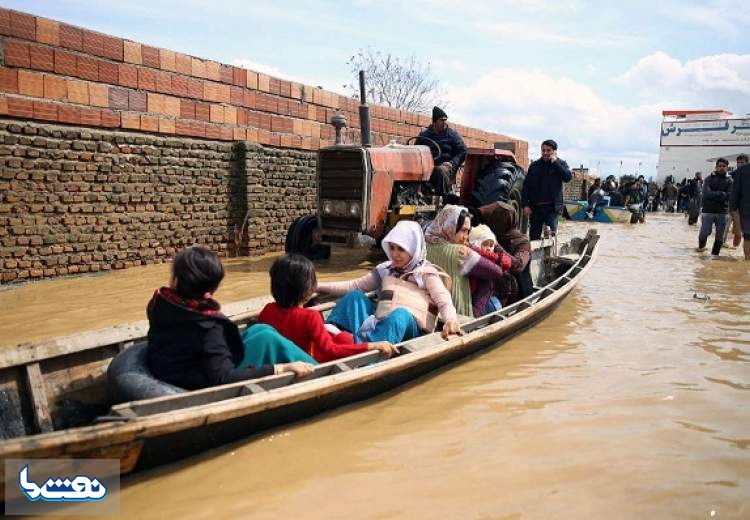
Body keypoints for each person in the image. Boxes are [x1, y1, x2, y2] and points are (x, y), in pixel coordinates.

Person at [146, 246, 314, 390]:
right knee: (267, 338)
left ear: (175, 281)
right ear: (212, 288)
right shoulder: (209, 328)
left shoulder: (159, 304)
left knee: (260, 329)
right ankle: (317, 367)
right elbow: (223, 378)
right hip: (199, 382)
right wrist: (280, 369)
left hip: (186, 367)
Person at [317, 220, 462, 342]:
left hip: (411, 327)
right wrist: (317, 286)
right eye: (392, 248)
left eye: (401, 249)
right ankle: (331, 334)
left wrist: (450, 320)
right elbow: (353, 285)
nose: (395, 254)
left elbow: (444, 300)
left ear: (413, 249)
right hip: (383, 319)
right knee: (354, 297)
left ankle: (368, 352)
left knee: (399, 315)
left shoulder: (426, 273)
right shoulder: (385, 269)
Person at [258, 254, 397, 363]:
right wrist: (370, 346)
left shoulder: (267, 310)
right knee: (345, 338)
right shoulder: (310, 317)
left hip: (282, 359)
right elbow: (331, 350)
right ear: (307, 293)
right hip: (306, 362)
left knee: (338, 335)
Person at [424, 205, 506, 317]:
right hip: (457, 315)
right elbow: (497, 272)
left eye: (468, 232)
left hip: (428, 312)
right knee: (487, 279)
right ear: (450, 227)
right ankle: (475, 315)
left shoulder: (424, 245)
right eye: (463, 231)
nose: (466, 237)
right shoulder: (461, 252)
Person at [478, 201, 533, 305]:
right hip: (495, 290)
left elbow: (518, 265)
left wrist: (496, 245)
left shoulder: (522, 242)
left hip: (519, 296)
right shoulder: (489, 235)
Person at [521, 139, 572, 239]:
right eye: (543, 150)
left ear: (554, 152)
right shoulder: (534, 166)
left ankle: (549, 255)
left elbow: (567, 177)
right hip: (535, 208)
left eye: (548, 150)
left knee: (551, 237)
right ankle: (535, 255)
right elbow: (526, 186)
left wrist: (555, 163)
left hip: (552, 208)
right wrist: (525, 205)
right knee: (534, 237)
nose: (545, 153)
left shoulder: (560, 164)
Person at [417, 106, 467, 201]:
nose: (445, 122)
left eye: (445, 120)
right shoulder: (424, 135)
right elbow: (416, 149)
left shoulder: (452, 135)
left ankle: (444, 200)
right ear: (435, 121)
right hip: (427, 166)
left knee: (440, 170)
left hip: (445, 166)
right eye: (442, 120)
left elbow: (463, 150)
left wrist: (452, 163)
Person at [468, 224, 512, 314]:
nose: (488, 248)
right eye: (485, 244)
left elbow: (507, 262)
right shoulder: (472, 256)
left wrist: (496, 257)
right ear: (476, 243)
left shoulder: (492, 259)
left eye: (491, 245)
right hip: (470, 299)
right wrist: (497, 258)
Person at [698, 158, 733, 256]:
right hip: (708, 210)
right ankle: (701, 249)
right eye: (719, 166)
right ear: (716, 167)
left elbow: (730, 195)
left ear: (727, 167)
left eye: (724, 166)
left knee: (719, 236)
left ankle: (715, 256)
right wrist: (722, 194)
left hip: (722, 212)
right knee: (704, 232)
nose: (721, 168)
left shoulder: (730, 181)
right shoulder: (708, 179)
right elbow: (706, 194)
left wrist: (714, 194)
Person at [729, 162, 750, 260]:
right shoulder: (742, 170)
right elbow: (735, 192)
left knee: (748, 236)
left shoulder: (741, 170)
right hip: (746, 209)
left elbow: (735, 193)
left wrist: (733, 208)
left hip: (746, 209)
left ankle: (747, 261)